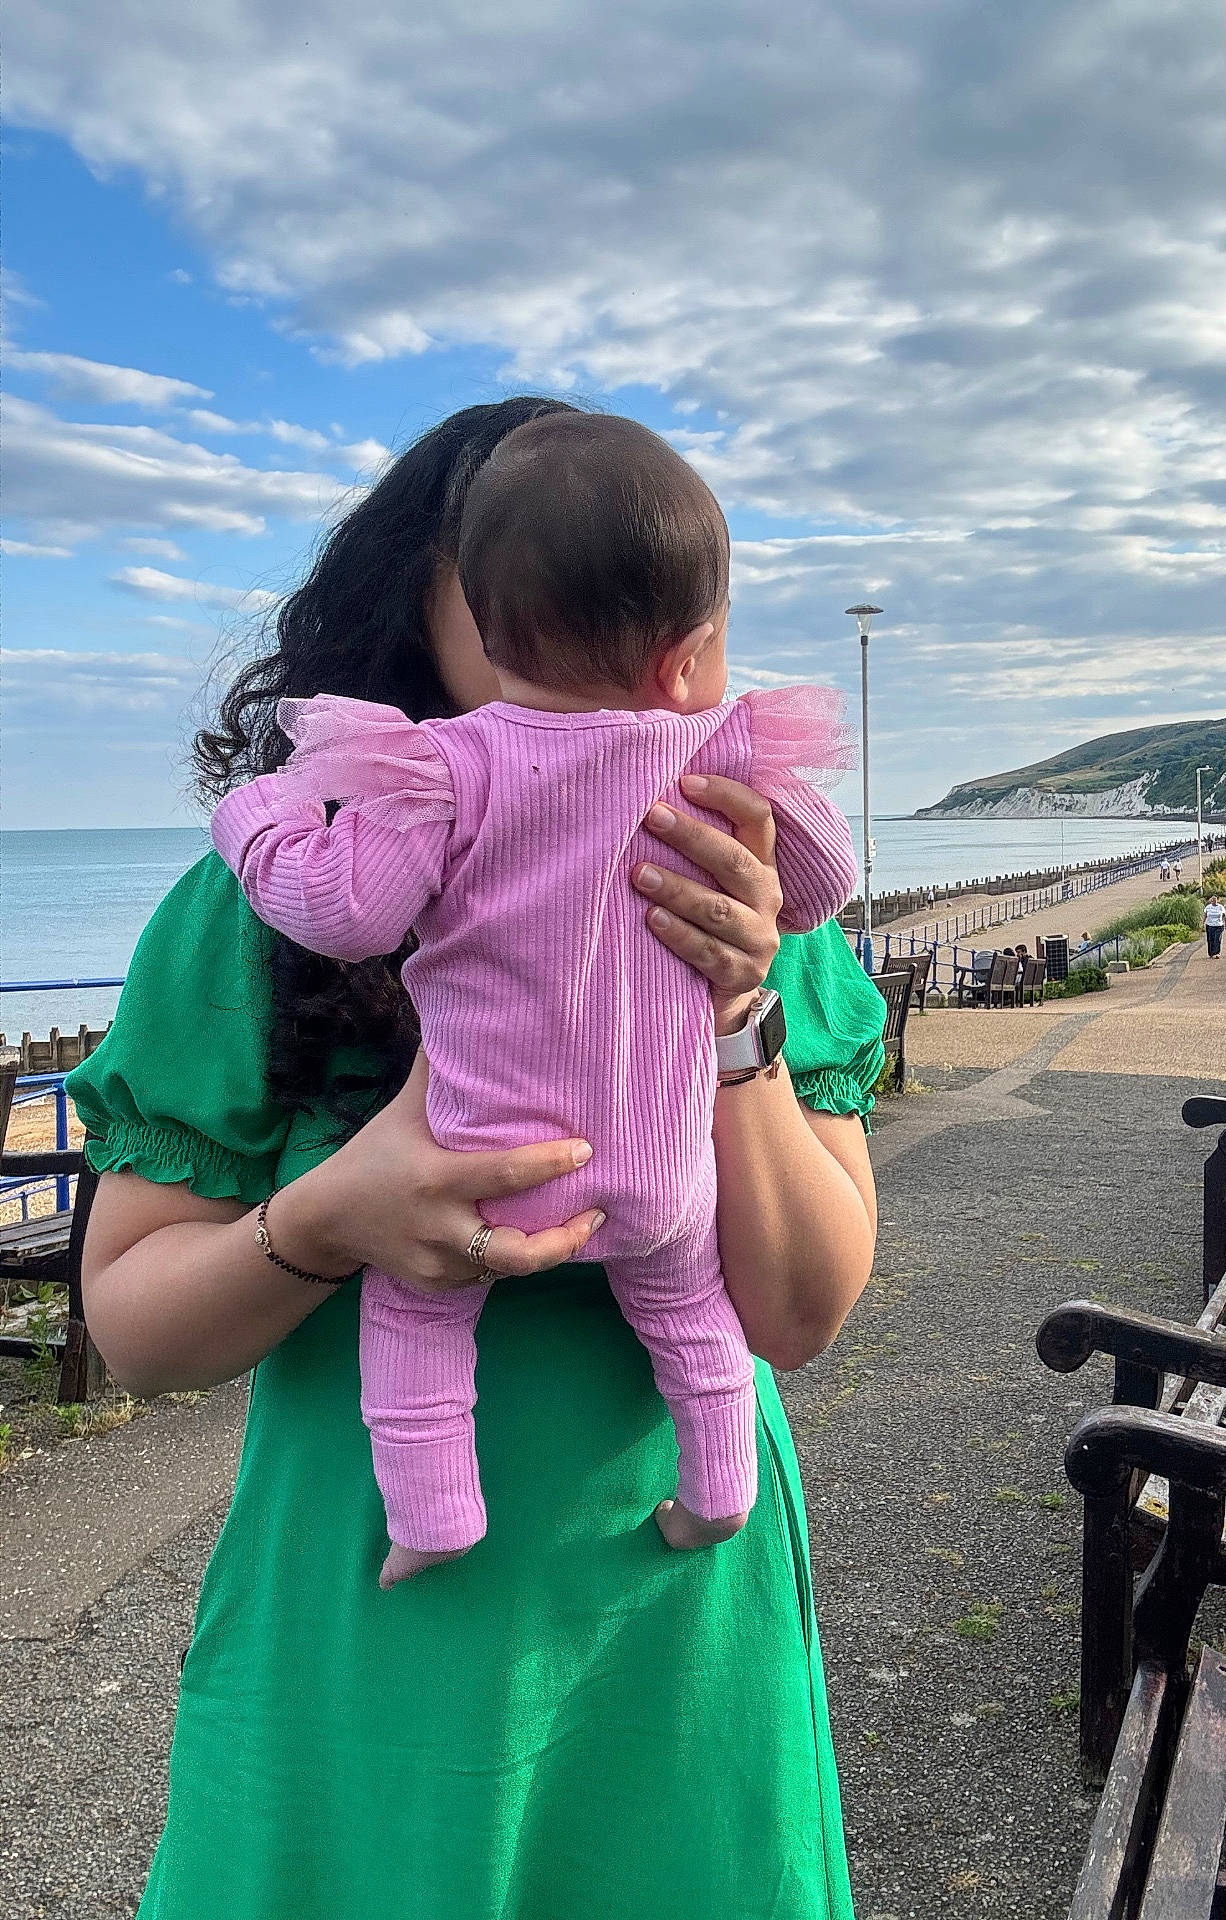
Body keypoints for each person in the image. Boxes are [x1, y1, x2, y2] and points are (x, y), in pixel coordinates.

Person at [67, 399, 883, 1919]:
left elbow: (802, 1312)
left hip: (676, 1613)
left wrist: (739, 1015)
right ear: (428, 619)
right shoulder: (268, 909)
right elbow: (132, 1332)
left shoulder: (764, 884)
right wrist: (324, 1221)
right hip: (365, 1622)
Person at [211, 414, 859, 1578]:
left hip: (485, 1172)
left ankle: (434, 1521)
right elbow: (826, 885)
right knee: (694, 1322)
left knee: (413, 1318)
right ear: (691, 650)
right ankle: (716, 1496)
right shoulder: (718, 756)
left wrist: (254, 817)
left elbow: (346, 909)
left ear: (488, 629)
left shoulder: (447, 770)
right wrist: (760, 895)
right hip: (665, 1173)